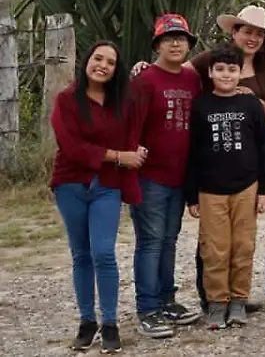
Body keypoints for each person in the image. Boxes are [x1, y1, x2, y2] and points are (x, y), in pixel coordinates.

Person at [50, 41, 145, 354]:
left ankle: (110, 323)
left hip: (107, 185)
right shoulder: (66, 100)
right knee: (81, 254)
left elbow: (138, 124)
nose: (102, 66)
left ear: (117, 70)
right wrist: (118, 155)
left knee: (103, 252)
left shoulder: (123, 102)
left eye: (110, 62)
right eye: (98, 59)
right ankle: (87, 321)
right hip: (71, 184)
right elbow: (71, 146)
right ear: (87, 61)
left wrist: (135, 151)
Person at [184, 45, 265, 330]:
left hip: (247, 186)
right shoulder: (200, 106)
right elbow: (192, 153)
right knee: (214, 249)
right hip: (210, 190)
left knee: (243, 246)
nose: (226, 75)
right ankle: (217, 303)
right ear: (210, 72)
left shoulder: (251, 104)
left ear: (240, 73)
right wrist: (191, 195)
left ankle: (238, 301)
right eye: (220, 69)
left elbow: (264, 147)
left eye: (232, 69)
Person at [129, 14, 204, 339]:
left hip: (180, 175)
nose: (175, 43)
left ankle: (167, 300)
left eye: (181, 38)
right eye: (168, 38)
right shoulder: (144, 80)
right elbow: (131, 126)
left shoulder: (192, 80)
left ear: (188, 44)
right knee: (150, 241)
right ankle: (148, 308)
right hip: (149, 176)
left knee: (169, 240)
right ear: (157, 45)